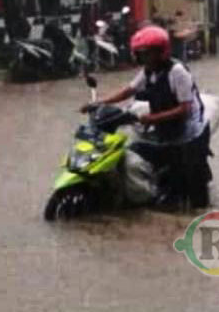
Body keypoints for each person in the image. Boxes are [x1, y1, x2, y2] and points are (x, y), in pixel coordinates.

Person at [82, 25, 211, 208]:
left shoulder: (177, 72)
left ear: (160, 52)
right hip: (166, 127)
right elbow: (128, 91)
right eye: (141, 54)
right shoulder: (148, 72)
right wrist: (99, 103)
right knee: (134, 149)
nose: (144, 58)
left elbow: (185, 109)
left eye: (148, 54)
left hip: (189, 134)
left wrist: (153, 118)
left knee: (188, 189)